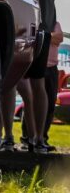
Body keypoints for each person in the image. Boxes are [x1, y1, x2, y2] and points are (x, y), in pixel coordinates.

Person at [0, 0, 62, 152]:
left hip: (12, 22)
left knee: (8, 82)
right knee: (38, 84)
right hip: (42, 23)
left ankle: (7, 137)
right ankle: (37, 139)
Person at [41, 20, 64, 153]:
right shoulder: (38, 19)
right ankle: (28, 136)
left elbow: (59, 38)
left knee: (50, 103)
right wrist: (51, 36)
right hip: (39, 67)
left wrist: (46, 36)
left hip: (52, 68)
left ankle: (43, 137)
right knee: (34, 104)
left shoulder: (55, 23)